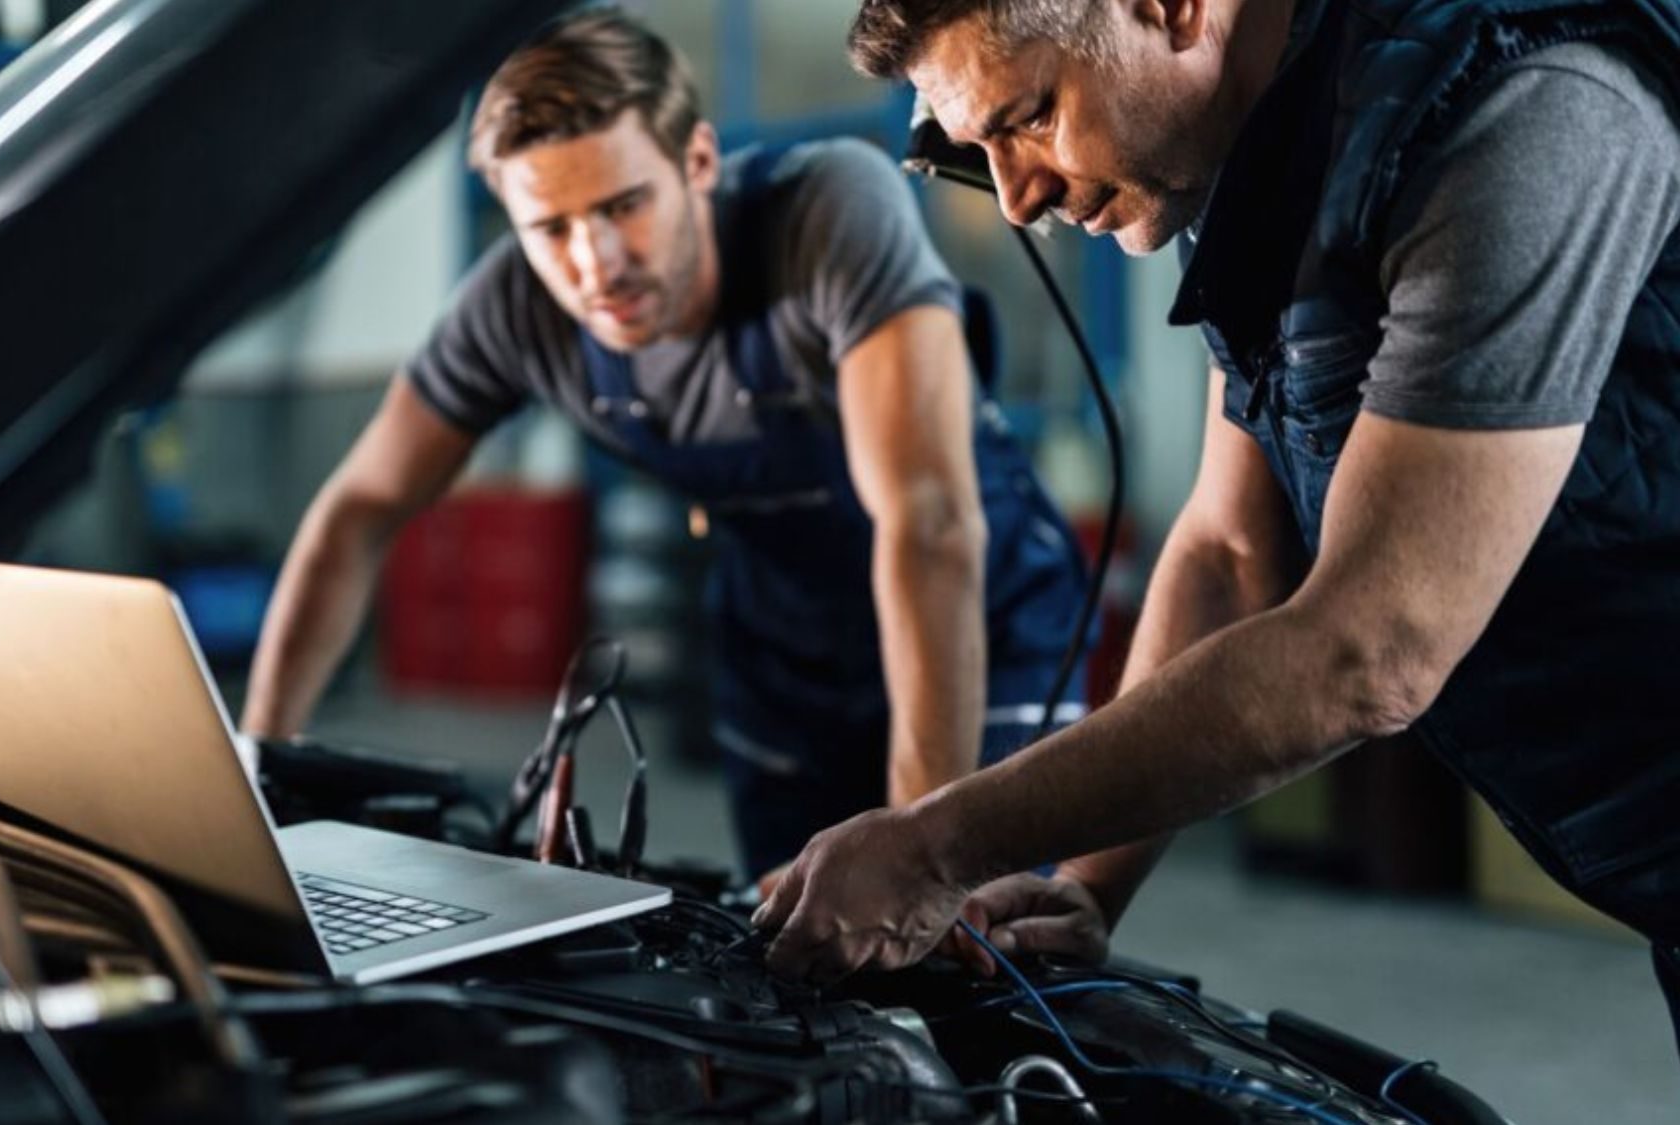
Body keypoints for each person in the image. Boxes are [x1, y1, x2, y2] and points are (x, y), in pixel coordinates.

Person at [755, 0, 1680, 1055]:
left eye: (1028, 117)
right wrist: (1087, 889)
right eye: (972, 151)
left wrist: (936, 845)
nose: (1014, 200)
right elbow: (1229, 554)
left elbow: (1370, 647)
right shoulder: (1257, 162)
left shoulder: (1522, 107)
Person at [240, 8, 1088, 884]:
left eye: (623, 205)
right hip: (785, 647)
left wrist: (920, 851)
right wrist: (261, 765)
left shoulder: (828, 213)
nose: (595, 261)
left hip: (980, 612)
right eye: (553, 228)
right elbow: (359, 511)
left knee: (983, 949)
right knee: (796, 956)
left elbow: (928, 521)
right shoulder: (513, 309)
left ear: (699, 163)